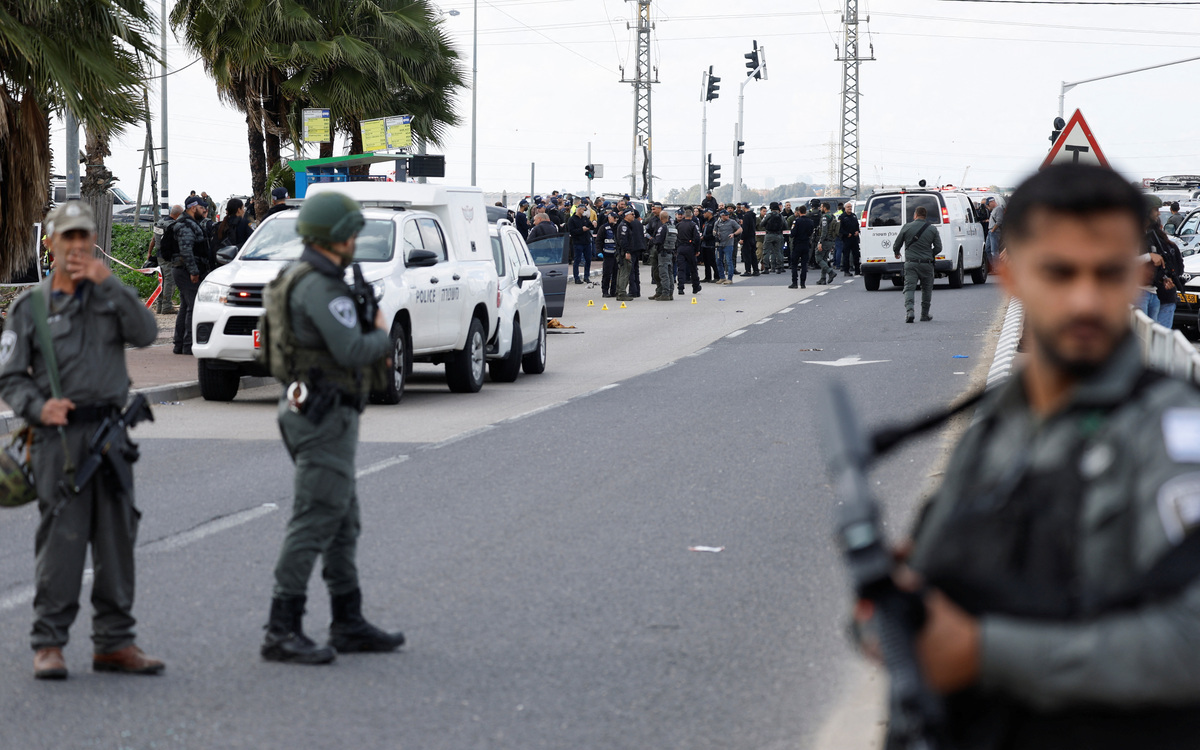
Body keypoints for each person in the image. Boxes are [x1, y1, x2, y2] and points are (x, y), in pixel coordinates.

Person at [881, 163, 1200, 749]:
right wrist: (900, 613)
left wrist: (984, 654)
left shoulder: (1174, 432)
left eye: (1107, 274)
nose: (1085, 299)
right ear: (1010, 275)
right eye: (1059, 272)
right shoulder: (999, 420)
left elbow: (1190, 642)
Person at [0, 201, 163, 680]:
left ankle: (115, 642)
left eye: (83, 237)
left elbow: (147, 332)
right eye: (66, 237)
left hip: (111, 437)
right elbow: (10, 378)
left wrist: (109, 283)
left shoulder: (110, 295)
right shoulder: (30, 306)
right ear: (48, 244)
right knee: (62, 542)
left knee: (117, 540)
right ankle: (48, 643)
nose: (75, 246)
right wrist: (37, 407)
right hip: (59, 440)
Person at [259, 190, 404, 665]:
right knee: (316, 515)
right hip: (323, 414)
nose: (355, 241)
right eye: (351, 233)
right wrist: (382, 333)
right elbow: (351, 350)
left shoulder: (297, 275)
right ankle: (282, 629)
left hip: (314, 408)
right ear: (335, 236)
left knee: (342, 519)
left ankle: (348, 621)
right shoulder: (320, 286)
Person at [172, 195, 212, 354]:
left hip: (183, 269)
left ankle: (179, 344)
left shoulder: (188, 223)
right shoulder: (186, 225)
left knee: (186, 307)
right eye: (202, 208)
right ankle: (188, 346)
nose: (204, 212)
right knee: (193, 307)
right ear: (193, 207)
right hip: (186, 271)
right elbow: (186, 250)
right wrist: (194, 271)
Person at [892, 204, 941, 323]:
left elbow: (897, 244)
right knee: (927, 289)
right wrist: (930, 254)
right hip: (927, 264)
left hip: (911, 263)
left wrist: (897, 252)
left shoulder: (907, 227)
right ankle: (924, 314)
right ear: (925, 216)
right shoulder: (932, 229)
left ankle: (910, 311)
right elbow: (939, 247)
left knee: (909, 288)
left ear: (915, 215)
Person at [150, 204, 183, 314]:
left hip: (159, 255)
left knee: (162, 280)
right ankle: (167, 306)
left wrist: (149, 253)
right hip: (169, 256)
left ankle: (160, 306)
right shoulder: (173, 225)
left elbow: (154, 239)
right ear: (178, 215)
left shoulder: (160, 222)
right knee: (169, 280)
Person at [651, 210, 677, 301]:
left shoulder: (663, 228)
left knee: (663, 274)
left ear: (661, 218)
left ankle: (665, 294)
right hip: (670, 252)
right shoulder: (673, 227)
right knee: (670, 274)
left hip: (663, 253)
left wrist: (651, 239)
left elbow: (658, 241)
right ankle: (670, 293)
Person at [676, 208, 702, 298]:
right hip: (690, 248)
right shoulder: (693, 225)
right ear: (691, 216)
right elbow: (697, 238)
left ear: (684, 216)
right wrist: (697, 250)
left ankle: (680, 288)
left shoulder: (678, 225)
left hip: (680, 247)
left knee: (681, 269)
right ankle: (695, 287)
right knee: (693, 268)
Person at [788, 205, 815, 289]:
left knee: (794, 264)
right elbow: (811, 232)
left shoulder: (797, 221)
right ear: (806, 212)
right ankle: (803, 283)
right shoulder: (810, 221)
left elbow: (792, 234)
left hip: (797, 244)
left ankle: (794, 283)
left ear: (799, 212)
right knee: (804, 265)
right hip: (806, 244)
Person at [567, 207, 595, 284]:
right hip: (578, 242)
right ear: (579, 210)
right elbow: (571, 231)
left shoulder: (585, 218)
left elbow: (590, 226)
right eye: (583, 210)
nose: (584, 212)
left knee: (588, 259)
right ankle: (576, 277)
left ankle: (586, 277)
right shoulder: (572, 219)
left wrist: (593, 224)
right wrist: (581, 230)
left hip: (586, 242)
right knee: (577, 260)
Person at [714, 210, 741, 285]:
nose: (727, 216)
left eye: (728, 215)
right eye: (726, 215)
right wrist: (716, 234)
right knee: (718, 261)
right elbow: (714, 231)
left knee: (729, 261)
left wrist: (734, 234)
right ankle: (722, 277)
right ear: (722, 216)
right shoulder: (717, 223)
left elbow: (740, 229)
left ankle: (729, 278)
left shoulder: (732, 222)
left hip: (728, 244)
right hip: (719, 245)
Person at [816, 202, 839, 285]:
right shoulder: (832, 216)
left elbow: (824, 231)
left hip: (825, 241)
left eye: (821, 207)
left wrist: (820, 242)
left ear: (825, 208)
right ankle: (823, 278)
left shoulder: (825, 217)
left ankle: (830, 272)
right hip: (831, 241)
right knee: (824, 259)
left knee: (818, 257)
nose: (820, 208)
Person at [598, 211, 619, 298]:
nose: (616, 220)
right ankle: (605, 291)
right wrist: (599, 251)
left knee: (616, 274)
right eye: (614, 218)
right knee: (607, 274)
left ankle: (613, 291)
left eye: (616, 218)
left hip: (616, 254)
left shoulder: (618, 227)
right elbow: (599, 240)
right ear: (609, 218)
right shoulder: (604, 228)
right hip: (607, 254)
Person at [762, 202, 787, 275]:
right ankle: (779, 268)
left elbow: (762, 224)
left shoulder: (768, 215)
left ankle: (766, 268)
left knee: (766, 251)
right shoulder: (780, 216)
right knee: (778, 251)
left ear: (771, 208)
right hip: (778, 235)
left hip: (769, 235)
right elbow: (785, 226)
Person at [839, 201, 861, 276]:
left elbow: (857, 225)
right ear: (845, 208)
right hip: (847, 239)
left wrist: (857, 231)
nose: (850, 208)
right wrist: (846, 234)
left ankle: (857, 270)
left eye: (850, 207)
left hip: (854, 238)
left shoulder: (854, 216)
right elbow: (840, 229)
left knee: (856, 255)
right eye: (848, 207)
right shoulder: (842, 217)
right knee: (846, 255)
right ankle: (846, 271)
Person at [699, 207, 718, 283]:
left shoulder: (714, 222)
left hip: (710, 244)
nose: (703, 214)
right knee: (706, 262)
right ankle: (708, 277)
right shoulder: (706, 221)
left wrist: (705, 237)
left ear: (709, 213)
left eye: (705, 213)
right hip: (704, 244)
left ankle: (717, 276)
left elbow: (714, 234)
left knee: (712, 261)